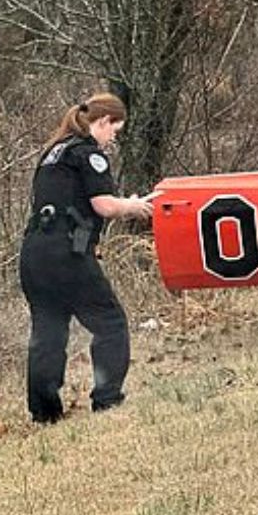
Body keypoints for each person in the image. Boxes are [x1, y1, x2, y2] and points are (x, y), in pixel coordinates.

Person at [19, 93, 154, 424]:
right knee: (110, 323)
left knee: (48, 331)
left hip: (34, 253)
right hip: (67, 254)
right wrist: (134, 206)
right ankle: (107, 399)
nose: (112, 140)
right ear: (104, 121)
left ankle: (45, 413)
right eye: (115, 132)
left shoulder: (53, 152)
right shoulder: (88, 154)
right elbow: (104, 205)